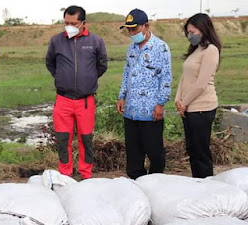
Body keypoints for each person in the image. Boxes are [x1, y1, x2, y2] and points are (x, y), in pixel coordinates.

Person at [46, 5, 108, 179]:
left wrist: (88, 79)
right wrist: (61, 77)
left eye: (73, 23)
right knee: (63, 139)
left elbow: (102, 65)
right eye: (66, 22)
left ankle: (85, 173)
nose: (69, 26)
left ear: (83, 23)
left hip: (85, 101)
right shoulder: (56, 41)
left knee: (86, 139)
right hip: (63, 99)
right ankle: (65, 173)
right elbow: (50, 63)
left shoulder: (95, 41)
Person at [116, 9, 172, 179]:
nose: (131, 33)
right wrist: (121, 96)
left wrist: (161, 103)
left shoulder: (160, 48)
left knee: (154, 151)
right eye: (129, 30)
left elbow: (166, 77)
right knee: (133, 151)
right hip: (131, 110)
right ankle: (136, 180)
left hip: (151, 110)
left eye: (134, 29)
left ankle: (156, 181)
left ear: (146, 26)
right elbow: (127, 73)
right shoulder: (131, 49)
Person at [175, 13, 221, 178]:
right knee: (192, 150)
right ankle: (198, 183)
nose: (190, 36)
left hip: (202, 107)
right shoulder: (196, 50)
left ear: (203, 30)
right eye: (188, 32)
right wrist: (178, 100)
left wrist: (184, 102)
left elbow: (201, 84)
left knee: (201, 151)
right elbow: (184, 77)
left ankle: (207, 185)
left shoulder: (211, 50)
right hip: (188, 108)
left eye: (193, 32)